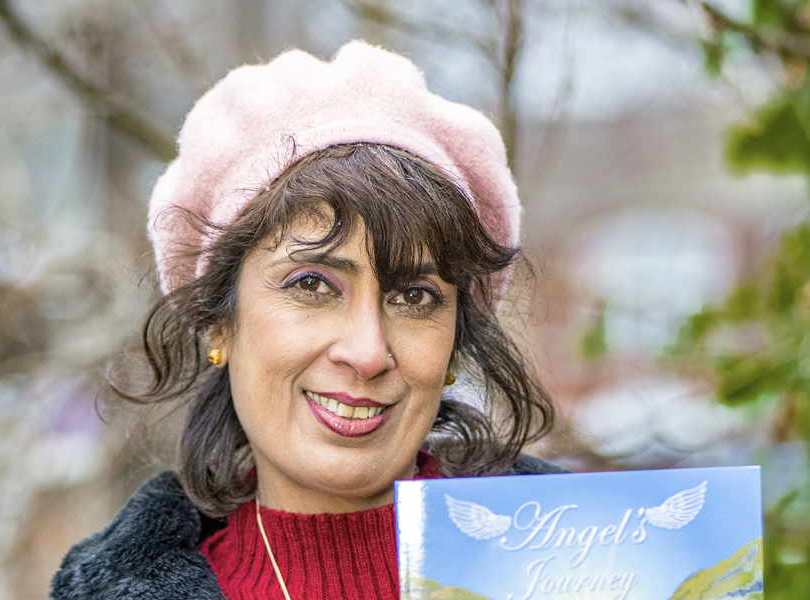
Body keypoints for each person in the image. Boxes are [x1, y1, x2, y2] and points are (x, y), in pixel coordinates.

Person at [49, 41, 559, 600]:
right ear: (220, 324)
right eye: (312, 285)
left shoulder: (588, 562)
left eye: (415, 297)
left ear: (455, 343)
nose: (367, 353)